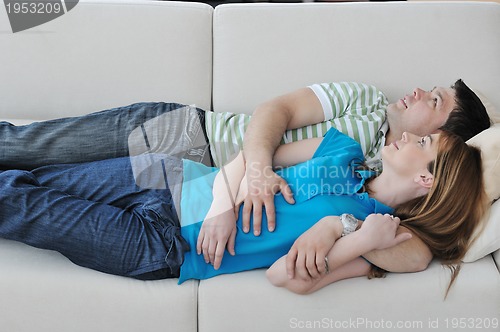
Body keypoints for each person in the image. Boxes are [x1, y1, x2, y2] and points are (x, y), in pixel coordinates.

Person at [0, 79, 490, 279]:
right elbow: (269, 120)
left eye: (437, 104)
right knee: (23, 160)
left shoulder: (378, 214)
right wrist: (232, 192)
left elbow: (418, 250)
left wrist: (342, 230)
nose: (421, 91)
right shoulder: (350, 129)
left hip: (170, 240)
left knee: (21, 199)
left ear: (441, 150)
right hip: (184, 161)